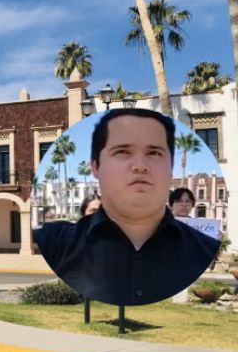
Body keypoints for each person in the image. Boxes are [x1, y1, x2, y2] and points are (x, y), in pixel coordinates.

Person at [34, 108, 220, 306]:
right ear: (96, 166)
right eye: (122, 151)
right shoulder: (54, 242)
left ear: (171, 166)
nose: (140, 165)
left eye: (154, 152)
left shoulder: (203, 249)